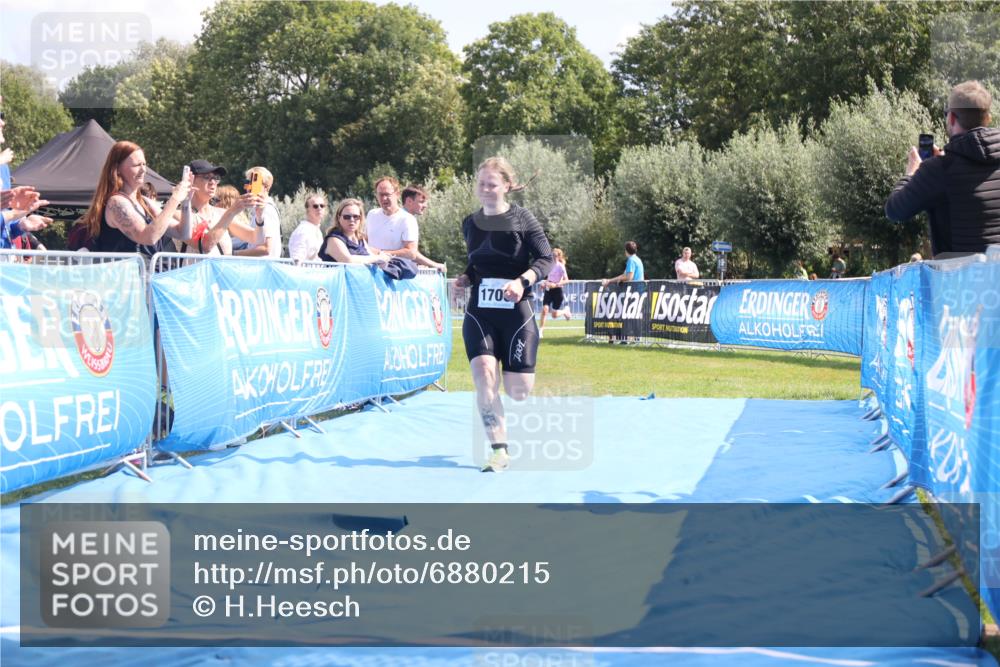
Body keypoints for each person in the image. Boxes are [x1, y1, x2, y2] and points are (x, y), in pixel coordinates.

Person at [455, 157, 554, 473]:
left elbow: (546, 259)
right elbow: (477, 263)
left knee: (518, 391)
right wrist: (465, 278)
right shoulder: (470, 223)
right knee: (484, 373)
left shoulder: (522, 219)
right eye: (481, 183)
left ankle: (511, 392)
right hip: (479, 312)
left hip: (516, 311)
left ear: (507, 186)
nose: (485, 189)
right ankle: (499, 449)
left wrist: (523, 281)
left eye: (492, 184)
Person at [885, 80, 1000, 257]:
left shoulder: (939, 171)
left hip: (960, 281)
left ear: (952, 118)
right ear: (988, 118)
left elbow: (895, 210)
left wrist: (911, 173)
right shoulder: (943, 169)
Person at [79, 141, 191, 258]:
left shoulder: (144, 202)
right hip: (123, 274)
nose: (143, 170)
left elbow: (183, 233)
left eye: (144, 164)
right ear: (117, 169)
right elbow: (148, 237)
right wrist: (175, 199)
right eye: (137, 165)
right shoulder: (116, 203)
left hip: (146, 274)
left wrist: (186, 200)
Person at [176, 160, 258, 256]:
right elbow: (205, 246)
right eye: (206, 177)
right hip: (196, 271)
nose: (213, 182)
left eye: (215, 178)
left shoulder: (221, 213)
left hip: (222, 271)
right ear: (191, 181)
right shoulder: (180, 215)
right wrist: (231, 212)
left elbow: (255, 238)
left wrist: (260, 215)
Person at [318, 198, 391, 265]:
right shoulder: (333, 239)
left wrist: (383, 259)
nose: (352, 220)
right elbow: (348, 260)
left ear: (361, 218)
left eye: (356, 216)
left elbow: (370, 258)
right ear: (339, 217)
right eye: (347, 217)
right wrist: (378, 258)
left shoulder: (360, 238)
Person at [235, 166, 282, 258]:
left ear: (266, 187)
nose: (248, 187)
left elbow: (266, 249)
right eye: (247, 182)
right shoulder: (260, 207)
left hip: (262, 267)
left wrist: (233, 254)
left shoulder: (266, 209)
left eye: (253, 182)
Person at [401, 184, 447, 271]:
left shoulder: (398, 216)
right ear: (409, 201)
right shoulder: (408, 219)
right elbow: (412, 253)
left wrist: (417, 263)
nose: (425, 205)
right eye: (421, 202)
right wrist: (435, 265)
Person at [538, 247, 571, 338]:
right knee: (545, 310)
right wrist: (544, 284)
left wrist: (556, 285)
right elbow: (548, 279)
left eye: (554, 255)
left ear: (558, 257)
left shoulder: (561, 266)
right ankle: (540, 331)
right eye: (551, 255)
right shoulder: (549, 265)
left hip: (558, 291)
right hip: (548, 290)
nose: (552, 257)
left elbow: (567, 280)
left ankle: (565, 311)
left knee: (554, 315)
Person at [288, 193, 328, 262]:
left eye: (322, 206)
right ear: (307, 210)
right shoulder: (302, 231)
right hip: (305, 272)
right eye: (315, 206)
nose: (319, 208)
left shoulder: (316, 230)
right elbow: (296, 259)